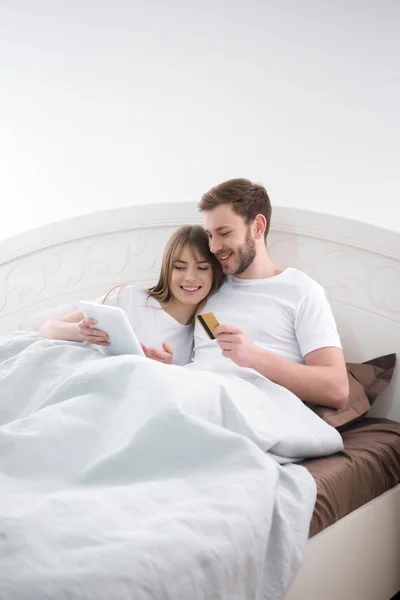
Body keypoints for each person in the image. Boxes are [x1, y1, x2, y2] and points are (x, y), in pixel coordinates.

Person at [192, 178, 349, 409]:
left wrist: (254, 357)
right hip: (194, 394)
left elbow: (337, 389)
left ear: (257, 227)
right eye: (209, 235)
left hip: (248, 407)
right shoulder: (206, 286)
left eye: (224, 233)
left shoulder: (301, 291)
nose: (214, 247)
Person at [39, 226, 224, 366]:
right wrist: (80, 332)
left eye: (202, 268)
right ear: (167, 270)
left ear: (214, 273)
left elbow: (206, 378)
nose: (190, 277)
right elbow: (48, 329)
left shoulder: (207, 326)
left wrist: (169, 370)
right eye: (180, 267)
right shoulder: (128, 298)